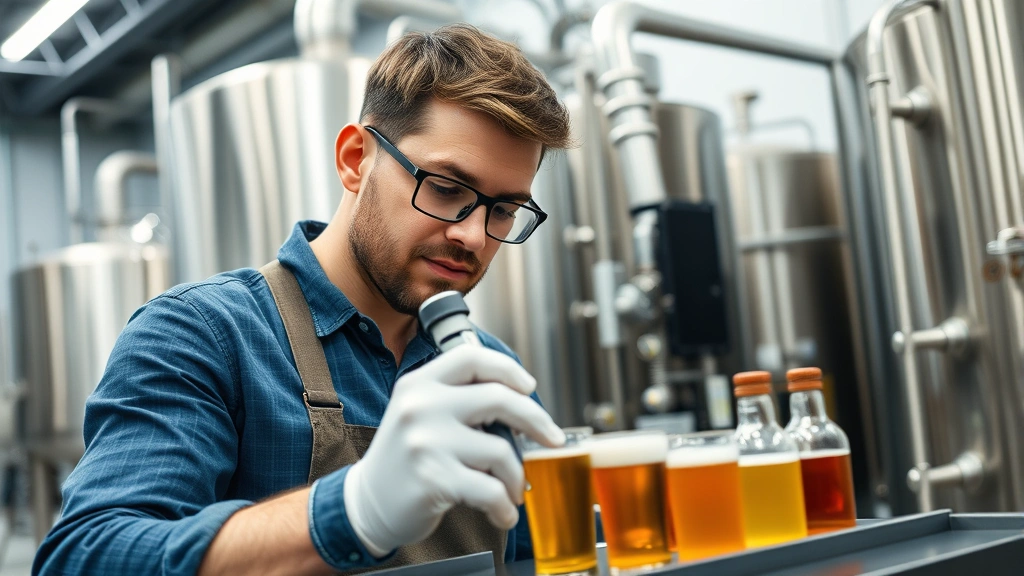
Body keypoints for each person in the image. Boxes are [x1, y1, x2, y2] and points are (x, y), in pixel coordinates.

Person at [34, 23, 573, 575]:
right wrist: (354, 509)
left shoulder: (490, 367)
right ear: (355, 159)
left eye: (504, 209)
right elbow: (84, 556)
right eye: (445, 188)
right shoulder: (206, 334)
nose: (475, 236)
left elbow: (537, 557)